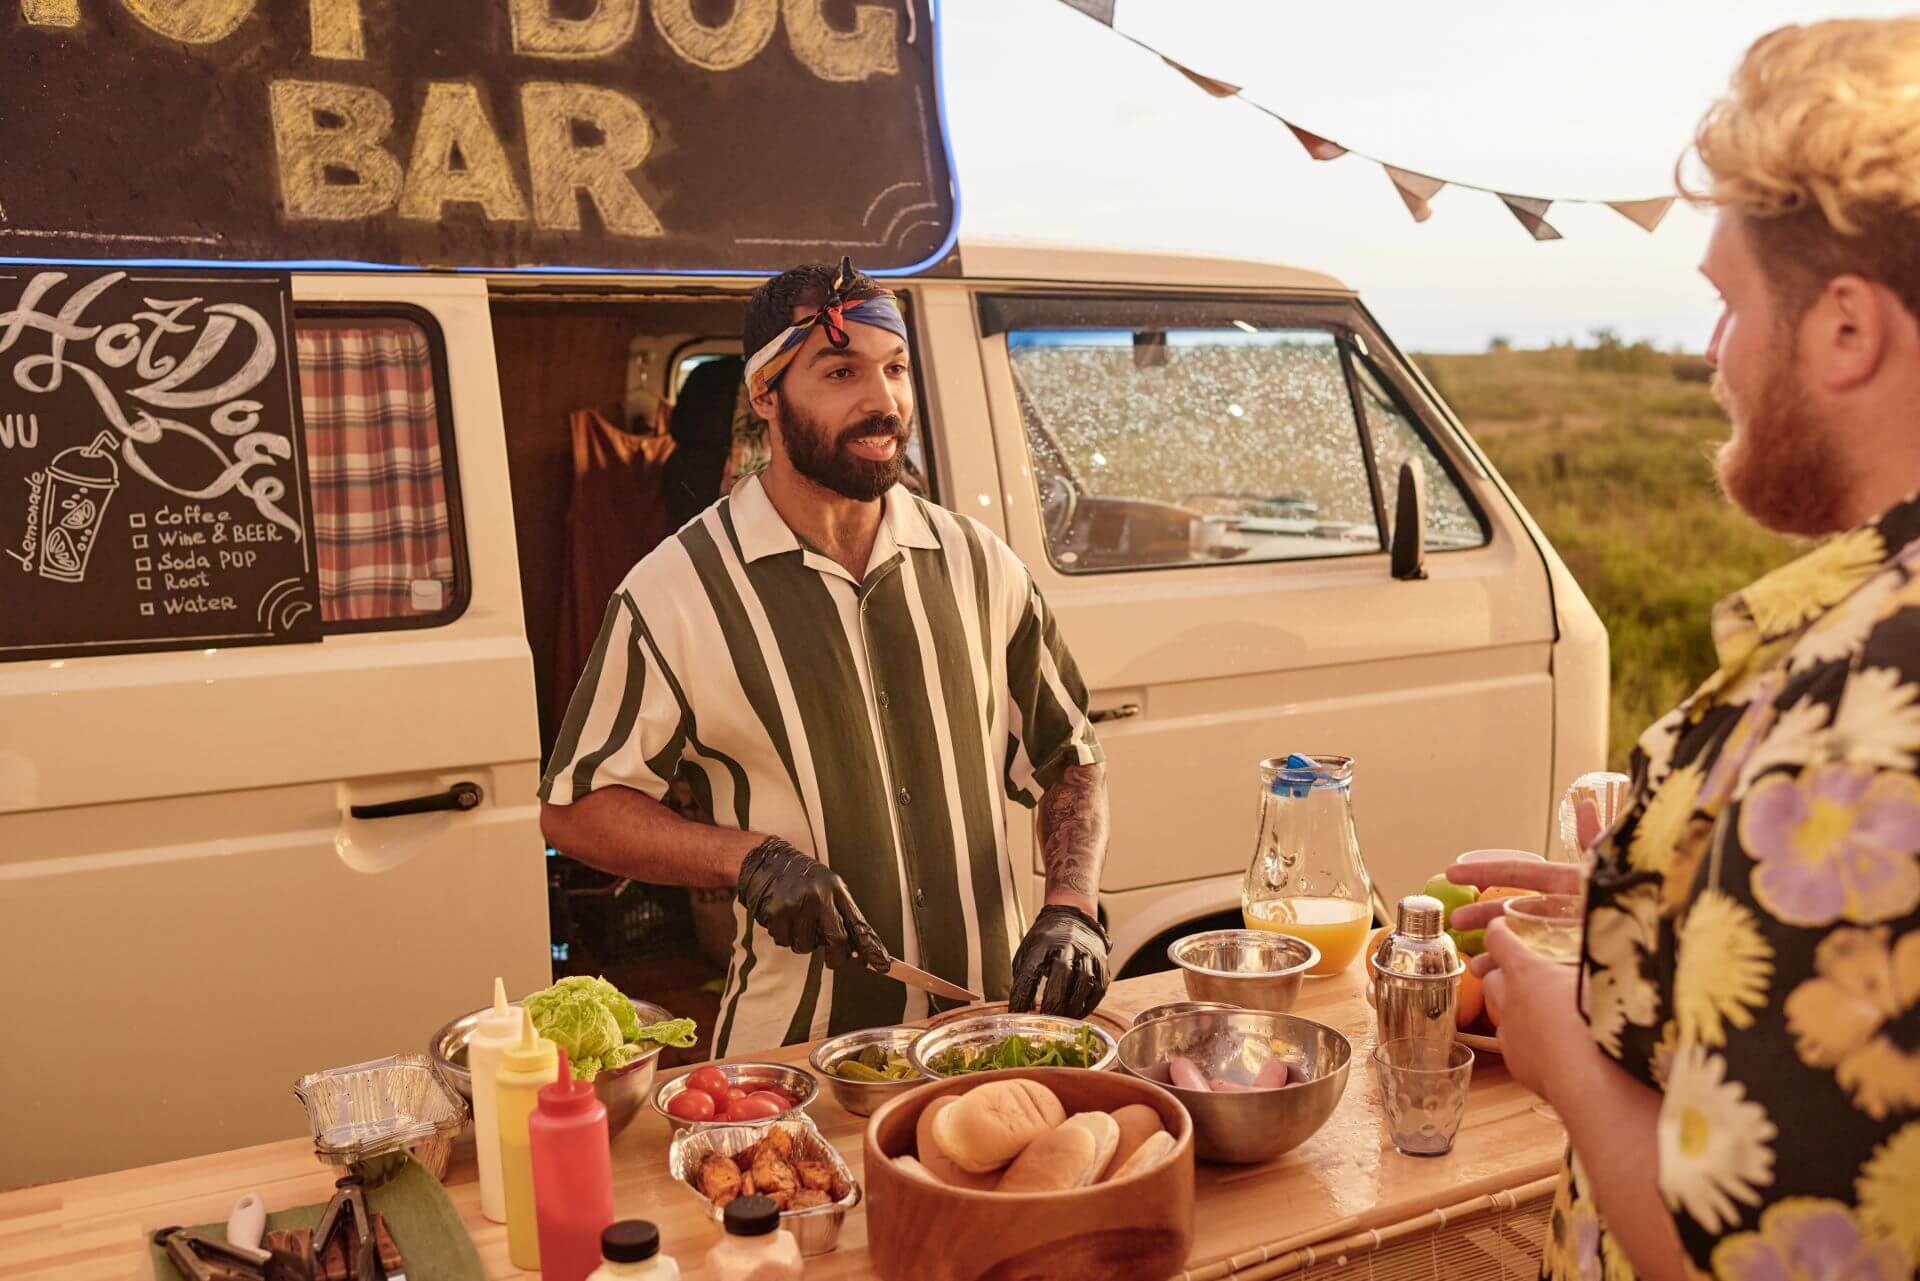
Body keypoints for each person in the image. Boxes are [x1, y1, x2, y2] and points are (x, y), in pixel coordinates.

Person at [1450, 21, 1920, 1281]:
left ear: (1843, 331)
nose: (1712, 359)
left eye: (1727, 305)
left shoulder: (1871, 723)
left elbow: (1766, 1261)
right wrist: (1670, 904)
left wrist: (1557, 1050)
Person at [539, 258, 1112, 1057]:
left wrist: (1071, 903)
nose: (882, 401)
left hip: (987, 1039)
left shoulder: (983, 564)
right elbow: (577, 808)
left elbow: (1070, 755)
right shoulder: (673, 590)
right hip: (793, 1060)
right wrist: (750, 860)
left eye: (896, 368)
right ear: (764, 394)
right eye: (841, 370)